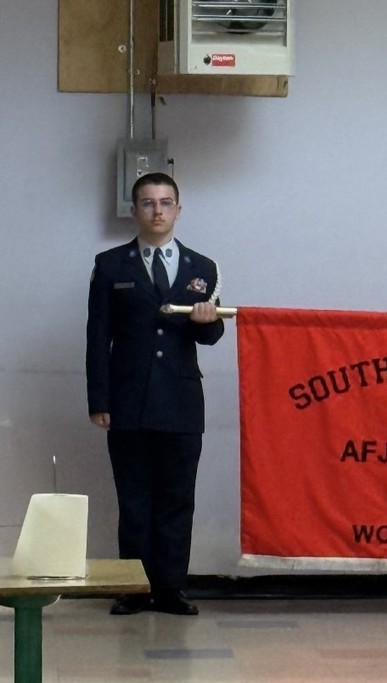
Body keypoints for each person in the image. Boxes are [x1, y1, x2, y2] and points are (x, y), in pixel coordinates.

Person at [86, 172, 224, 616]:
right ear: (135, 210)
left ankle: (171, 589)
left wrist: (208, 319)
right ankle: (134, 587)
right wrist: (99, 399)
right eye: (148, 203)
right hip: (128, 401)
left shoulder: (202, 267)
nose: (158, 211)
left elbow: (210, 336)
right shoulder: (110, 265)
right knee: (135, 499)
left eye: (166, 203)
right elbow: (97, 337)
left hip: (181, 403)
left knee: (177, 498)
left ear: (178, 210)